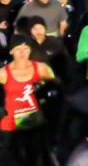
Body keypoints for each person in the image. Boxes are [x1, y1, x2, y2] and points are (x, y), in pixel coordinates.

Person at [0, 35, 56, 166]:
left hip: (34, 122)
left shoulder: (41, 68)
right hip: (10, 124)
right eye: (18, 49)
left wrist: (46, 92)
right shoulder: (3, 73)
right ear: (11, 51)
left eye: (25, 49)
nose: (22, 52)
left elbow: (57, 88)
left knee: (34, 158)